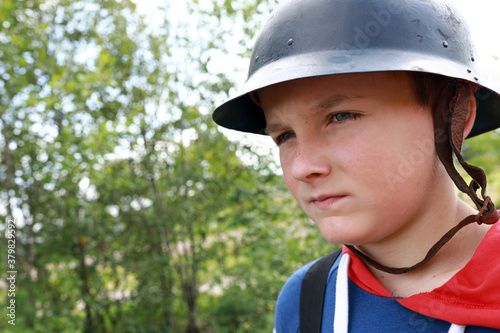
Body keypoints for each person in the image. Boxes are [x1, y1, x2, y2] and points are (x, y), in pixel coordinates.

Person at [212, 0, 500, 331]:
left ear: (454, 115)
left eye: (341, 116)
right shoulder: (307, 300)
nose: (301, 168)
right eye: (284, 136)